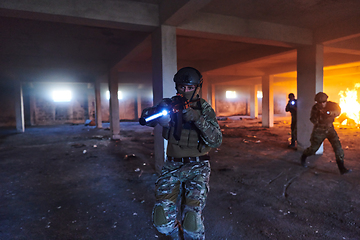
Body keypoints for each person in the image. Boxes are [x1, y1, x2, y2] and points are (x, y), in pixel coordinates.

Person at [140, 67, 222, 239]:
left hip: (198, 165)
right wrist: (158, 114)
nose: (185, 91)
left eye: (189, 88)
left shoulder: (204, 109)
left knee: (192, 220)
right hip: (172, 165)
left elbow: (216, 140)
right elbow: (146, 118)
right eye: (181, 87)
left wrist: (197, 119)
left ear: (197, 87)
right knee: (162, 221)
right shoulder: (169, 104)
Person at [300, 92, 351, 175]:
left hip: (330, 129)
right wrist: (319, 116)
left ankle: (342, 168)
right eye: (319, 102)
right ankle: (304, 156)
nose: (322, 104)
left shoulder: (331, 105)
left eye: (323, 102)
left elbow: (338, 111)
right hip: (319, 130)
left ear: (326, 101)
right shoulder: (315, 108)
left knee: (338, 148)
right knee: (313, 149)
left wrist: (329, 113)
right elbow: (313, 120)